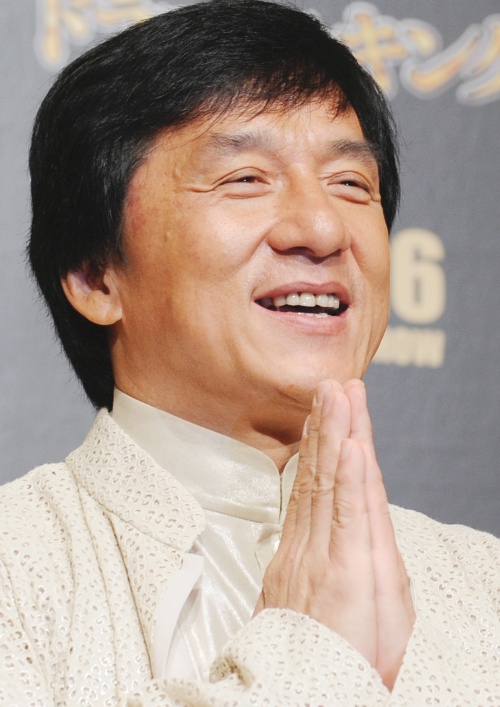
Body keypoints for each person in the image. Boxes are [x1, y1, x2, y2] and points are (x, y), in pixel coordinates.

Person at [0, 0, 498, 704]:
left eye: (351, 184)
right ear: (95, 275)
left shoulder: (484, 586)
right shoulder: (17, 569)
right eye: (246, 178)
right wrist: (317, 653)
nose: (323, 228)